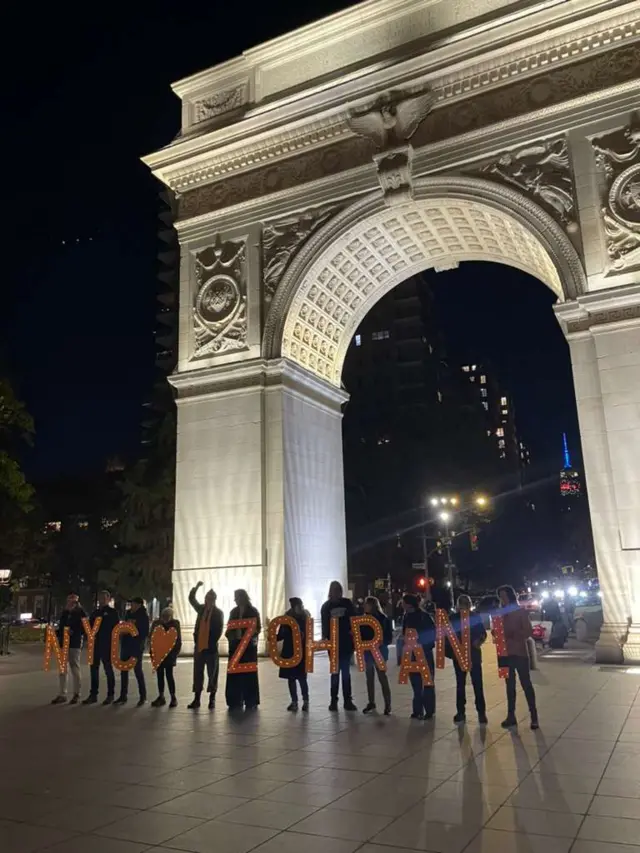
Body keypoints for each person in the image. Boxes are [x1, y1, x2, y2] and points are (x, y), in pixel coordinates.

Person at [497, 584, 539, 730]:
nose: (502, 599)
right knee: (509, 686)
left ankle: (534, 716)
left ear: (510, 596)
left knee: (526, 684)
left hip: (519, 653)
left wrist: (514, 634)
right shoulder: (500, 613)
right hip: (504, 654)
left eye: (504, 596)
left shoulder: (520, 611)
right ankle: (511, 716)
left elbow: (528, 631)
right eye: (500, 597)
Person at [449, 594, 487, 725]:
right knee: (462, 684)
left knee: (475, 684)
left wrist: (478, 641)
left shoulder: (473, 617)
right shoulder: (454, 618)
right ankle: (462, 712)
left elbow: (483, 634)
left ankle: (480, 712)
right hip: (462, 655)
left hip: (472, 654)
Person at [321, 581, 357, 712]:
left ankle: (346, 700)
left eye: (339, 590)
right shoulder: (326, 607)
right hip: (334, 645)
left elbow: (354, 619)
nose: (337, 592)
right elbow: (325, 625)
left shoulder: (346, 604)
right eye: (335, 590)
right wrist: (325, 638)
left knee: (345, 673)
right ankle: (334, 700)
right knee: (336, 673)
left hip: (346, 643)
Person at [188, 582, 224, 710]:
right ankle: (196, 699)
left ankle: (212, 699)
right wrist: (196, 587)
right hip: (199, 647)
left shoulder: (218, 613)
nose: (208, 600)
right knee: (197, 673)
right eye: (207, 598)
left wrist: (211, 643)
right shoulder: (201, 609)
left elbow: (219, 630)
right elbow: (191, 599)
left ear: (214, 600)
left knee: (212, 674)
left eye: (211, 598)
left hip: (211, 648)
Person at [401, 593, 436, 720]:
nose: (402, 605)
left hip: (423, 653)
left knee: (427, 682)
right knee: (416, 683)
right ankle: (417, 709)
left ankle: (429, 710)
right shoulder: (406, 617)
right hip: (411, 654)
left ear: (409, 604)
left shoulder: (424, 616)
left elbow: (433, 633)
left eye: (403, 602)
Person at [225, 589, 261, 710]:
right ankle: (235, 700)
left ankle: (251, 700)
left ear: (243, 597)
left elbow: (258, 628)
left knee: (249, 674)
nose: (235, 599)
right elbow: (229, 627)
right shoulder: (233, 612)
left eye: (237, 597)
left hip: (248, 648)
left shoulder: (253, 611)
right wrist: (230, 637)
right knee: (235, 675)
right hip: (235, 646)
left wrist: (249, 637)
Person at [82, 590, 119, 705]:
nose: (101, 600)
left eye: (104, 598)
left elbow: (116, 628)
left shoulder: (113, 612)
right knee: (94, 669)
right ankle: (93, 694)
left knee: (108, 669)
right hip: (95, 645)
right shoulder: (95, 612)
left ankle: (110, 694)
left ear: (108, 599)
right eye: (100, 598)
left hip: (106, 645)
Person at [51, 594, 87, 705]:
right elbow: (62, 626)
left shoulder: (80, 613)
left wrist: (75, 632)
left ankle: (77, 693)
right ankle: (62, 694)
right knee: (62, 669)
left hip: (74, 644)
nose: (71, 603)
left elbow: (84, 628)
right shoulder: (65, 613)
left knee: (74, 667)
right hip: (64, 643)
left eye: (73, 602)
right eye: (69, 601)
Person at [277, 597, 309, 712]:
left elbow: (280, 635)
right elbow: (280, 635)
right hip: (293, 651)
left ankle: (299, 701)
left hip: (294, 652)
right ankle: (300, 701)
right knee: (297, 678)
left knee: (298, 678)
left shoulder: (298, 618)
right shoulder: (299, 618)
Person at [115, 597, 150, 706]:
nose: (132, 606)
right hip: (126, 645)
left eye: (134, 604)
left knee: (137, 670)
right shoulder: (128, 613)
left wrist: (132, 632)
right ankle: (123, 695)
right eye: (131, 604)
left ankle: (143, 696)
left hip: (136, 646)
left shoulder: (143, 616)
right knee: (123, 670)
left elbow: (144, 632)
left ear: (139, 604)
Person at [361, 595, 392, 716]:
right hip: (369, 651)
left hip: (378, 650)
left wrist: (380, 643)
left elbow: (388, 636)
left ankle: (387, 704)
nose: (364, 606)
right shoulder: (364, 619)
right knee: (370, 677)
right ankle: (371, 701)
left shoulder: (382, 619)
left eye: (366, 604)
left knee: (381, 676)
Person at [151, 607, 182, 708]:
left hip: (169, 655)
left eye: (168, 616)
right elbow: (152, 637)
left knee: (169, 676)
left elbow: (177, 641)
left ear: (171, 616)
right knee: (160, 675)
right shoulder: (157, 624)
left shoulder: (175, 625)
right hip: (159, 655)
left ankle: (173, 697)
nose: (165, 618)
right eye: (164, 616)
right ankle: (161, 696)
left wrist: (174, 655)